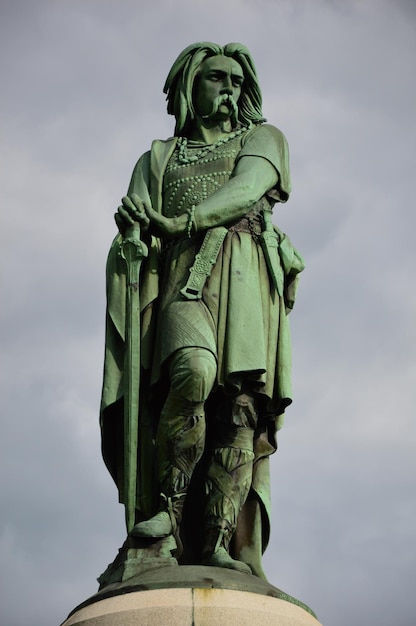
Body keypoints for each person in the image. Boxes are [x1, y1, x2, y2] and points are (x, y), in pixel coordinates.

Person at [100, 42, 304, 579]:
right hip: (180, 282)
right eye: (217, 78)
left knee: (239, 406)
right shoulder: (157, 160)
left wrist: (180, 221)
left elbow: (247, 189)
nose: (229, 90)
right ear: (190, 87)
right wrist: (132, 234)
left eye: (237, 82)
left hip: (243, 272)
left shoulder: (264, 139)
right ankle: (167, 513)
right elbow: (135, 229)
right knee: (192, 373)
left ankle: (216, 538)